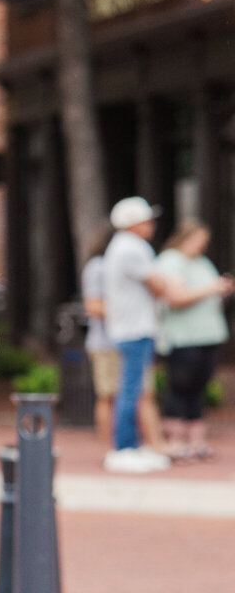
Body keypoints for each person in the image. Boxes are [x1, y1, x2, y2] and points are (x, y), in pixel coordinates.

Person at [101, 196, 172, 473]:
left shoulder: (119, 246)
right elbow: (158, 285)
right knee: (131, 389)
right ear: (134, 223)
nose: (150, 224)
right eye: (146, 220)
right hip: (135, 328)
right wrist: (167, 283)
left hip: (127, 327)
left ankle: (130, 445)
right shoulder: (133, 248)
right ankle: (124, 447)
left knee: (133, 388)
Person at [154, 219, 234, 460]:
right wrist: (211, 288)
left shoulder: (201, 262)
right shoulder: (169, 261)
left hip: (208, 334)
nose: (203, 245)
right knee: (181, 386)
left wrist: (222, 290)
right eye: (199, 240)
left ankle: (196, 440)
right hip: (183, 336)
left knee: (198, 387)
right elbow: (176, 298)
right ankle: (175, 441)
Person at [80, 232, 121, 450]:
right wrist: (126, 314)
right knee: (107, 395)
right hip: (104, 343)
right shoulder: (97, 266)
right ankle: (108, 446)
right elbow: (93, 306)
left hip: (120, 341)